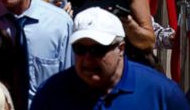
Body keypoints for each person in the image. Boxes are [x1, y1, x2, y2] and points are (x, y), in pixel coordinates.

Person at [30, 7, 188, 110]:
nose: (87, 58)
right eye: (80, 49)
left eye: (97, 50)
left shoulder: (161, 93)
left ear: (121, 48)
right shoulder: (52, 92)